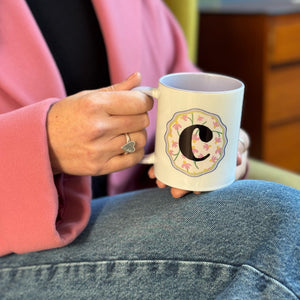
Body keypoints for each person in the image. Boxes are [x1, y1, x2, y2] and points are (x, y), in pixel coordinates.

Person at [0, 1, 299, 299]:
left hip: (133, 217)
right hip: (16, 254)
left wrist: (231, 141)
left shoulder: (141, 6)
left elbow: (187, 85)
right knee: (279, 222)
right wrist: (41, 145)